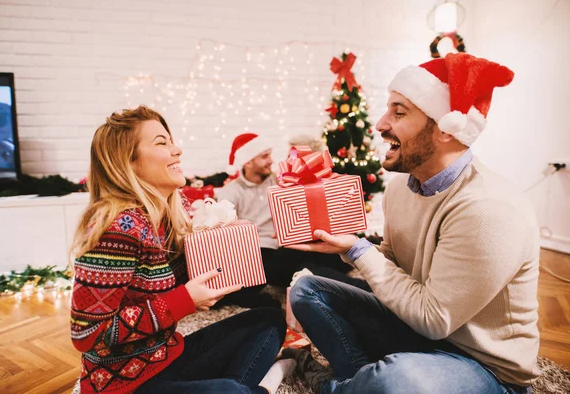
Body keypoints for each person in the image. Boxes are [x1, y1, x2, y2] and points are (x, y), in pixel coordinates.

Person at [283, 53, 540, 394]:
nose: (380, 124)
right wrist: (348, 248)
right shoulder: (400, 187)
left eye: (398, 112)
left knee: (398, 380)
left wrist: (360, 250)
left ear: (445, 130)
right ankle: (361, 382)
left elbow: (434, 319)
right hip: (413, 329)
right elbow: (394, 264)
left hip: (482, 365)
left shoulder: (488, 208)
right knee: (306, 289)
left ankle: (337, 385)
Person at [70, 106, 295, 394]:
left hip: (165, 357)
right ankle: (262, 385)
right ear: (128, 161)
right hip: (122, 385)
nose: (177, 150)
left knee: (268, 319)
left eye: (171, 140)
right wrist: (184, 300)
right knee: (228, 391)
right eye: (161, 143)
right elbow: (87, 334)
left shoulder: (169, 216)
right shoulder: (118, 228)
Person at [217, 133, 361, 291]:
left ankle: (341, 282)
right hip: (260, 252)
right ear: (248, 162)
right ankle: (358, 289)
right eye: (265, 157)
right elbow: (225, 237)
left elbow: (311, 165)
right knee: (299, 266)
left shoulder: (282, 179)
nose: (271, 161)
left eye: (270, 155)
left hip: (290, 245)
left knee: (328, 255)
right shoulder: (230, 192)